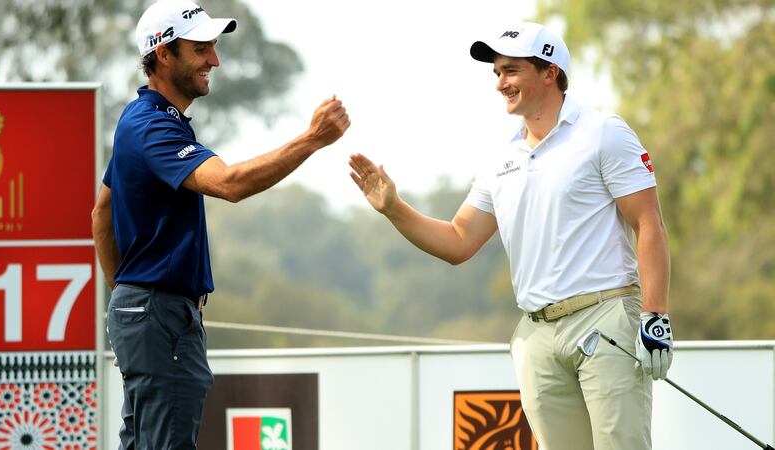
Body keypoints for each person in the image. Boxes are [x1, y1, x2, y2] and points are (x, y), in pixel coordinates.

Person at [349, 22, 671, 450]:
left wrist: (655, 316)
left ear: (549, 72)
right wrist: (394, 209)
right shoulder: (500, 157)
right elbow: (459, 241)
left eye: (511, 71)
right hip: (537, 332)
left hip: (606, 316)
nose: (501, 82)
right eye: (497, 73)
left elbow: (648, 223)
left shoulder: (603, 133)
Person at [91, 0, 350, 447]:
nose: (214, 59)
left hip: (148, 311)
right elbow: (229, 183)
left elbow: (101, 213)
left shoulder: (139, 121)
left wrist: (126, 299)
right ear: (163, 54)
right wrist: (312, 140)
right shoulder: (153, 126)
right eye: (200, 48)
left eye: (213, 47)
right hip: (160, 313)